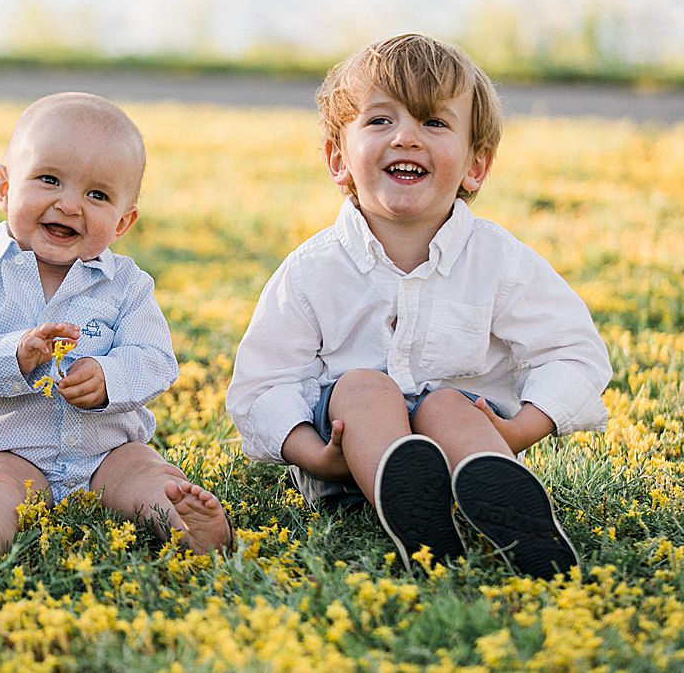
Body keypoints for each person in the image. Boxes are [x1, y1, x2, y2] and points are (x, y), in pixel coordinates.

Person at [226, 33, 611, 578]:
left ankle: (505, 506)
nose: (406, 137)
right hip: (344, 463)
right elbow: (262, 382)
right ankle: (408, 503)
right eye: (380, 121)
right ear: (338, 159)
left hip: (468, 443)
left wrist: (521, 427)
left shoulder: (498, 260)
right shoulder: (313, 270)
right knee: (363, 387)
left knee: (448, 404)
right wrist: (312, 454)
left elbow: (574, 352)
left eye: (433, 123)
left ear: (476, 166)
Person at [0, 92, 230, 557]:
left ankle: (184, 521)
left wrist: (110, 377)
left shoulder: (127, 284)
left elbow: (156, 360)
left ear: (123, 221)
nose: (69, 205)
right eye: (49, 180)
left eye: (97, 195)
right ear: (4, 187)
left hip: (108, 452)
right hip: (10, 452)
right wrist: (14, 355)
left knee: (149, 476)